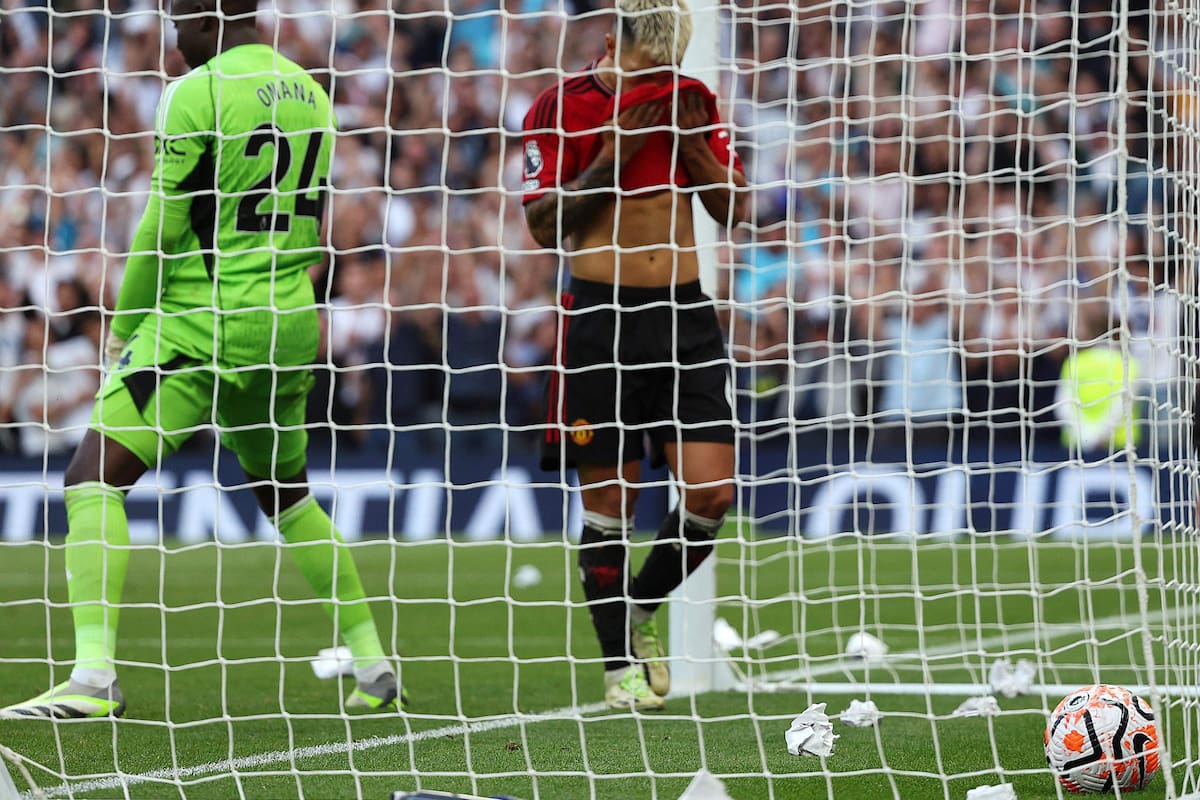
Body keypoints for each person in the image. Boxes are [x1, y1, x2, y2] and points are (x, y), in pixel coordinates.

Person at [1, 0, 404, 719]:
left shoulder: (197, 91)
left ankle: (94, 677)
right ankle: (372, 661)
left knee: (92, 478)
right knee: (287, 495)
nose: (173, 38)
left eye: (179, 23)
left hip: (203, 325)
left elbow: (163, 224)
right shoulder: (309, 90)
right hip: (288, 326)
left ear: (208, 19)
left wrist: (124, 330)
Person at [521, 0, 748, 710]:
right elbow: (541, 226)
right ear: (617, 42)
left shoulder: (691, 97)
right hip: (601, 320)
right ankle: (619, 665)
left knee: (712, 494)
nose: (664, 73)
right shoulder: (561, 106)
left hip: (684, 316)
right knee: (611, 507)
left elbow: (729, 206)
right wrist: (611, 155)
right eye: (656, 61)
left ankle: (640, 607)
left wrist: (695, 149)